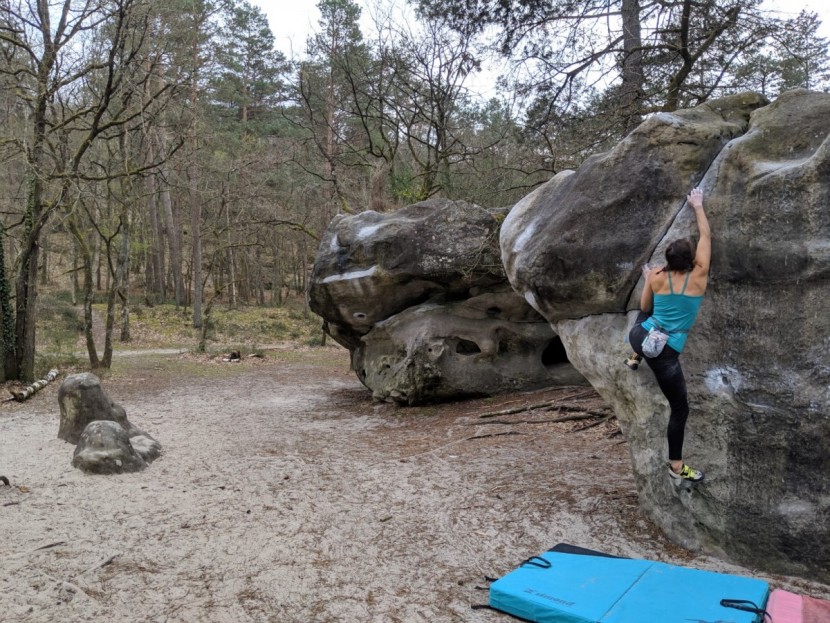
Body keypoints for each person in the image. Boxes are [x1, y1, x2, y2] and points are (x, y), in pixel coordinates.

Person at [627, 187, 711, 483]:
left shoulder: (658, 276)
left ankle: (634, 356)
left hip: (639, 336)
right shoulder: (699, 274)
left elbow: (644, 306)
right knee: (680, 408)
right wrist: (697, 205)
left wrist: (649, 277)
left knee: (647, 316)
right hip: (664, 354)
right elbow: (706, 238)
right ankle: (676, 466)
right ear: (690, 260)